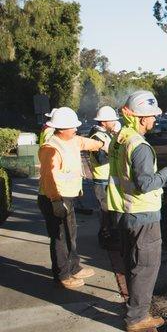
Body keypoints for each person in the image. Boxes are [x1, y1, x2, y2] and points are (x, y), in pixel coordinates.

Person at [107, 90, 167, 332]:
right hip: (142, 216)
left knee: (131, 263)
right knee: (146, 268)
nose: (154, 120)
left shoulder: (121, 138)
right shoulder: (140, 146)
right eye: (152, 116)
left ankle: (134, 309)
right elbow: (146, 184)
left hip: (123, 211)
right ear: (141, 118)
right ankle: (137, 318)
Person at [38, 107, 105, 289]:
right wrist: (56, 200)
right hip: (54, 198)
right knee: (60, 237)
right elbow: (48, 177)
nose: (76, 129)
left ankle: (74, 267)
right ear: (62, 128)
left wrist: (103, 143)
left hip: (67, 197)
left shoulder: (72, 140)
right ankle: (63, 275)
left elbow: (85, 143)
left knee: (70, 235)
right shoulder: (50, 149)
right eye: (72, 127)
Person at [88, 106, 120, 249]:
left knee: (111, 211)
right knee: (106, 212)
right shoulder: (97, 137)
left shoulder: (105, 134)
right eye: (112, 119)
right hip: (102, 181)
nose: (114, 122)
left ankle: (110, 237)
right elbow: (100, 159)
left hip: (107, 179)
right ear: (104, 121)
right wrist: (113, 154)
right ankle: (105, 240)